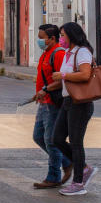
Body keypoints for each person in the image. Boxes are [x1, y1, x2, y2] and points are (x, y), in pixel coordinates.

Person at [52, 21, 98, 196]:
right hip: (68, 101)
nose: (60, 38)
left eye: (63, 35)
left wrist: (63, 75)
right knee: (56, 138)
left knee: (76, 142)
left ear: (72, 35)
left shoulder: (82, 52)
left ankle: (78, 183)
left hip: (80, 103)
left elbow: (85, 74)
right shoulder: (68, 53)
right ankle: (84, 168)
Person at [30, 24, 70, 188]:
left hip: (53, 103)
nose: (39, 41)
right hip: (43, 102)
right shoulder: (46, 53)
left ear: (52, 38)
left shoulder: (58, 53)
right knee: (38, 137)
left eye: (42, 38)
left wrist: (45, 89)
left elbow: (62, 80)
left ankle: (53, 177)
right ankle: (67, 162)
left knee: (50, 140)